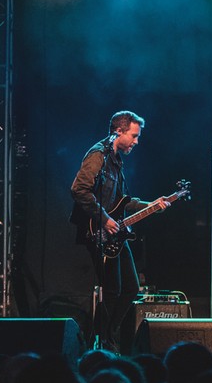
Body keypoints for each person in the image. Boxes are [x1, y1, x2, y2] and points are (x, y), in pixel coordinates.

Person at [69, 110, 171, 352]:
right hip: (97, 231)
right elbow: (79, 189)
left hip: (114, 233)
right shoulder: (98, 156)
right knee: (112, 290)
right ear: (119, 131)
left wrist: (150, 205)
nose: (137, 141)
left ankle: (106, 336)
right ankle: (102, 342)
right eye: (134, 136)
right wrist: (104, 219)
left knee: (131, 288)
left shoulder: (116, 161)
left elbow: (122, 202)